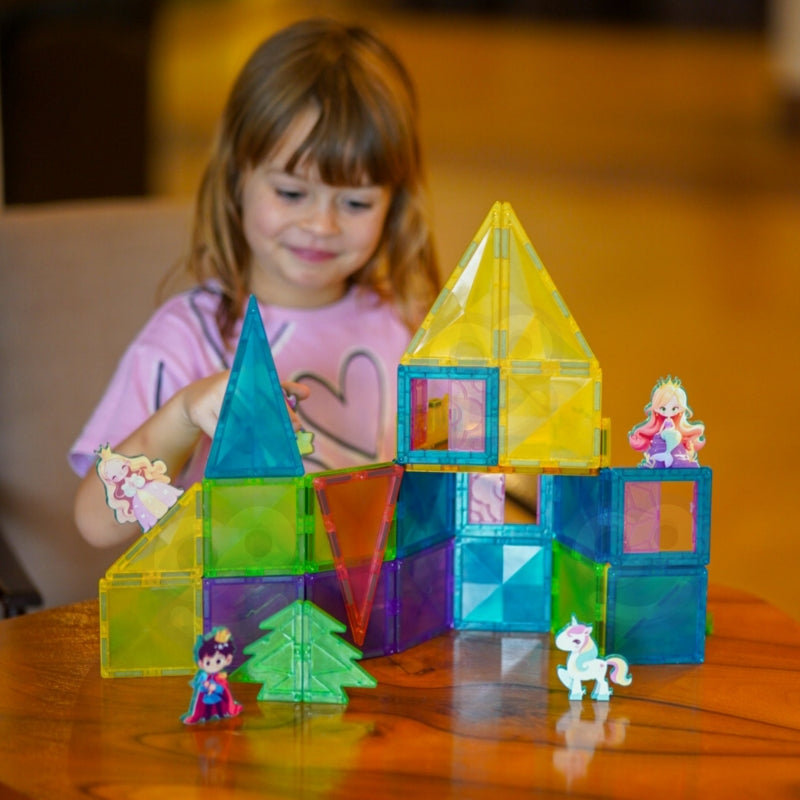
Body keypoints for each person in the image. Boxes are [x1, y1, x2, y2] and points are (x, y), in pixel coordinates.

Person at [69, 18, 440, 547]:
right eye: (291, 193)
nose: (321, 225)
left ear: (394, 204)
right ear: (237, 179)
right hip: (228, 599)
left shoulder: (405, 325)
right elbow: (96, 522)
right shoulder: (188, 335)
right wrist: (185, 413)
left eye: (356, 203)